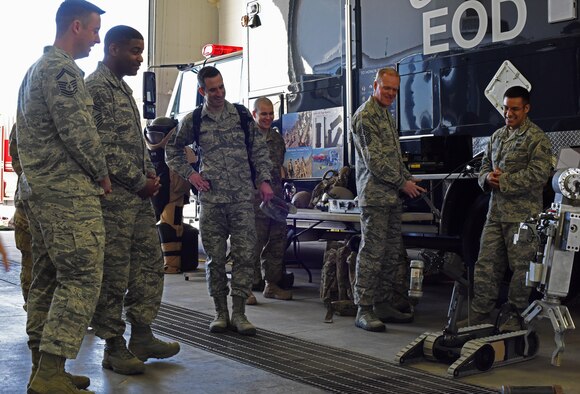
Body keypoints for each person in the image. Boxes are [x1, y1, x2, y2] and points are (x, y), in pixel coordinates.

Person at [16, 1, 112, 392]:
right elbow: (77, 130)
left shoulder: (36, 70)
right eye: (93, 31)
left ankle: (43, 369)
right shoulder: (61, 70)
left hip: (40, 193)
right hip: (66, 194)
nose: (97, 39)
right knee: (82, 275)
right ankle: (51, 372)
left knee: (48, 278)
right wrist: (101, 173)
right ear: (76, 26)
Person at [85, 25, 180, 375]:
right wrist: (139, 180)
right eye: (135, 51)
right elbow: (102, 147)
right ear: (113, 49)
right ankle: (113, 346)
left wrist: (149, 175)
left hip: (137, 201)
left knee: (148, 266)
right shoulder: (96, 88)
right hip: (114, 202)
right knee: (114, 273)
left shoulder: (123, 88)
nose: (141, 58)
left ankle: (142, 334)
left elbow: (133, 142)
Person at [165, 66, 274, 336]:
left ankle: (239, 313)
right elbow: (172, 149)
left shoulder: (239, 115)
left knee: (245, 256)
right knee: (215, 259)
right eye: (212, 89)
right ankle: (220, 313)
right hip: (212, 201)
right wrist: (192, 176)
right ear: (202, 90)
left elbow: (258, 149)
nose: (218, 93)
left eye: (221, 87)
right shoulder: (195, 120)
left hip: (240, 199)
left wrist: (264, 180)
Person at [459, 86, 553, 331]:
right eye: (505, 108)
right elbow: (482, 169)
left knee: (521, 268)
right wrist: (487, 178)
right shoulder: (497, 137)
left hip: (523, 217)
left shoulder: (537, 138)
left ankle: (514, 315)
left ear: (526, 108)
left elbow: (540, 174)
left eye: (514, 109)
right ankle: (480, 315)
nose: (508, 113)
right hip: (495, 214)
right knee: (485, 265)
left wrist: (505, 180)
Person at [351, 67, 424, 332]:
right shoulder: (365, 117)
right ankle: (364, 308)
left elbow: (393, 157)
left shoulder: (384, 114)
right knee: (372, 253)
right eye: (387, 88)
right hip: (375, 198)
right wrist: (402, 182)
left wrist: (408, 179)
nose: (391, 94)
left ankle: (382, 304)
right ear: (375, 86)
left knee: (392, 254)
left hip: (392, 197)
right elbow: (375, 162)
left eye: (395, 89)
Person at [247, 97, 292, 305]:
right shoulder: (246, 138)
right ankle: (245, 288)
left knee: (276, 242)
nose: (267, 118)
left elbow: (279, 169)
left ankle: (271, 285)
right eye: (263, 114)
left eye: (270, 114)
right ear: (254, 114)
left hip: (275, 200)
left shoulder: (277, 139)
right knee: (252, 244)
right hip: (254, 200)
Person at [8, 124, 33, 310]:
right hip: (30, 204)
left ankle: (33, 307)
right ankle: (33, 306)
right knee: (30, 260)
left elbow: (15, 157)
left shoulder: (21, 119)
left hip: (27, 198)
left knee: (30, 261)